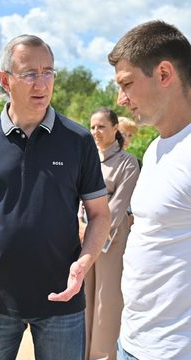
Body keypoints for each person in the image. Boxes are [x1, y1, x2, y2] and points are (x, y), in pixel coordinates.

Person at [0, 34, 111, 360]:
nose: (41, 83)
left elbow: (100, 214)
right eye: (29, 73)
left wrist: (84, 263)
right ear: (5, 80)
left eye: (48, 72)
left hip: (63, 298)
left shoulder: (78, 141)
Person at [108, 20, 191, 360]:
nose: (120, 99)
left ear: (164, 73)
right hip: (134, 340)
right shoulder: (157, 148)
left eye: (127, 84)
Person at [79, 108, 139, 360]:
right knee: (83, 297)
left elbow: (117, 207)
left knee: (107, 300)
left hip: (112, 241)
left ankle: (102, 356)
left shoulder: (128, 162)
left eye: (102, 126)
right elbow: (76, 198)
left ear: (115, 128)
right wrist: (79, 227)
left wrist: (92, 228)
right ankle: (80, 353)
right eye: (92, 127)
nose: (96, 132)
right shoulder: (86, 159)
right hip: (83, 237)